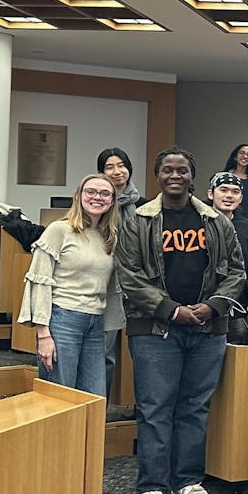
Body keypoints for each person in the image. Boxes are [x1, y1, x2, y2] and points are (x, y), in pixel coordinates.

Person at [114, 147, 245, 494]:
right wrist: (171, 310)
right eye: (168, 170)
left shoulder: (217, 221)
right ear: (157, 176)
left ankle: (188, 480)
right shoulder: (138, 221)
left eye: (183, 170)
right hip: (154, 331)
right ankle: (152, 484)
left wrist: (213, 306)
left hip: (208, 329)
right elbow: (129, 276)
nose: (176, 175)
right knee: (156, 408)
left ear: (193, 176)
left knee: (194, 407)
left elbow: (236, 271)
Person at [18, 173, 123, 397]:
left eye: (105, 194)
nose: (98, 197)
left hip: (95, 324)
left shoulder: (109, 237)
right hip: (63, 321)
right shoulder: (59, 230)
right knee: (59, 396)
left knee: (94, 398)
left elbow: (110, 287)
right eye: (91, 192)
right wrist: (43, 335)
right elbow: (39, 281)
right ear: (79, 196)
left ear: (112, 201)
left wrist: (106, 327)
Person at [96, 147, 146, 401]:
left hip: (138, 285)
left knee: (143, 351)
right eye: (109, 167)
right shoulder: (97, 204)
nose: (117, 172)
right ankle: (98, 413)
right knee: (103, 353)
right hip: (107, 286)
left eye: (121, 165)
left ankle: (138, 407)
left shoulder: (144, 205)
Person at [207, 172, 248, 344]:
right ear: (211, 193)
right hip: (203, 309)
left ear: (241, 198)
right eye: (223, 190)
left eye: (235, 192)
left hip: (236, 310)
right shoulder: (197, 223)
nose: (229, 196)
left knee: (237, 366)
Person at [223, 144, 248, 220]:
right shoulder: (224, 177)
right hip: (226, 218)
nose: (245, 156)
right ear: (235, 156)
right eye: (242, 153)